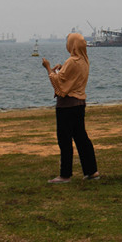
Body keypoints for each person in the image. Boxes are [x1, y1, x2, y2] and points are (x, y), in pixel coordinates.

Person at [41, 32, 100, 183]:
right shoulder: (84, 60)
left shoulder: (72, 61)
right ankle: (91, 171)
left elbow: (59, 83)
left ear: (72, 45)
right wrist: (62, 68)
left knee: (64, 140)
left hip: (66, 106)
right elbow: (72, 77)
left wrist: (48, 68)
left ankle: (65, 174)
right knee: (81, 138)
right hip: (79, 104)